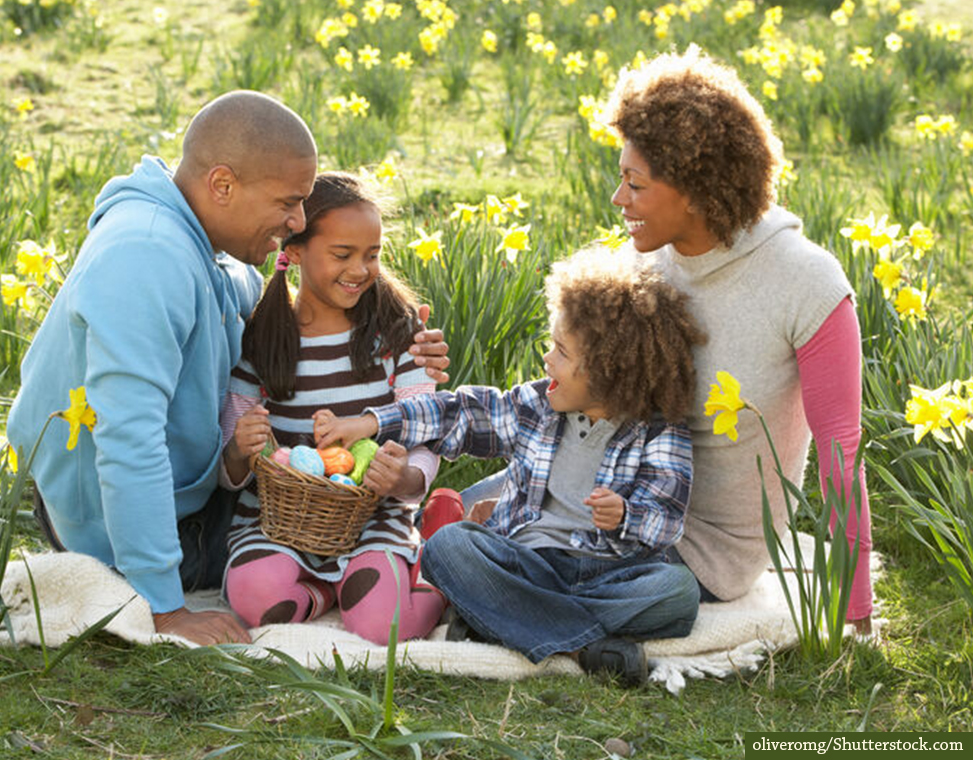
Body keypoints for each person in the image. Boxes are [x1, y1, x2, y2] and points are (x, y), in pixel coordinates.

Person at [7, 92, 450, 646]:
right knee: (268, 577)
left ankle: (405, 547)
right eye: (288, 203)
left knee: (329, 532)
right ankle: (417, 552)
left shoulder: (204, 242)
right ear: (222, 185)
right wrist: (166, 610)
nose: (295, 223)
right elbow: (128, 442)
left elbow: (272, 301)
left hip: (186, 495)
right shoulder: (144, 257)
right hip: (115, 524)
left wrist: (399, 330)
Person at [315, 246, 707, 686]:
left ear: (609, 372)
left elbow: (667, 521)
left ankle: (500, 618)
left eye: (561, 351)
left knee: (677, 592)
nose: (547, 360)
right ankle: (584, 647)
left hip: (608, 572)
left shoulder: (661, 432)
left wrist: (625, 515)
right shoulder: (537, 406)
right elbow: (456, 413)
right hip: (526, 560)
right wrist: (370, 422)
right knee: (448, 546)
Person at [604, 46, 873, 630]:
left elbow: (840, 451)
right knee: (468, 524)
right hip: (613, 505)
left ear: (696, 191)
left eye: (635, 184)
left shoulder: (806, 281)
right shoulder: (646, 261)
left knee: (484, 552)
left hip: (703, 553)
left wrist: (855, 615)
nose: (618, 200)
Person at [221, 171, 447, 645]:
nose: (360, 270)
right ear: (296, 251)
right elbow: (231, 457)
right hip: (281, 521)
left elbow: (426, 433)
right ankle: (329, 591)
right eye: (342, 255)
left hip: (373, 516)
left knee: (381, 626)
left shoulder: (397, 335)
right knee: (253, 596)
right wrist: (241, 450)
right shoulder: (262, 339)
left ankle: (439, 569)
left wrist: (403, 478)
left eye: (372, 255)